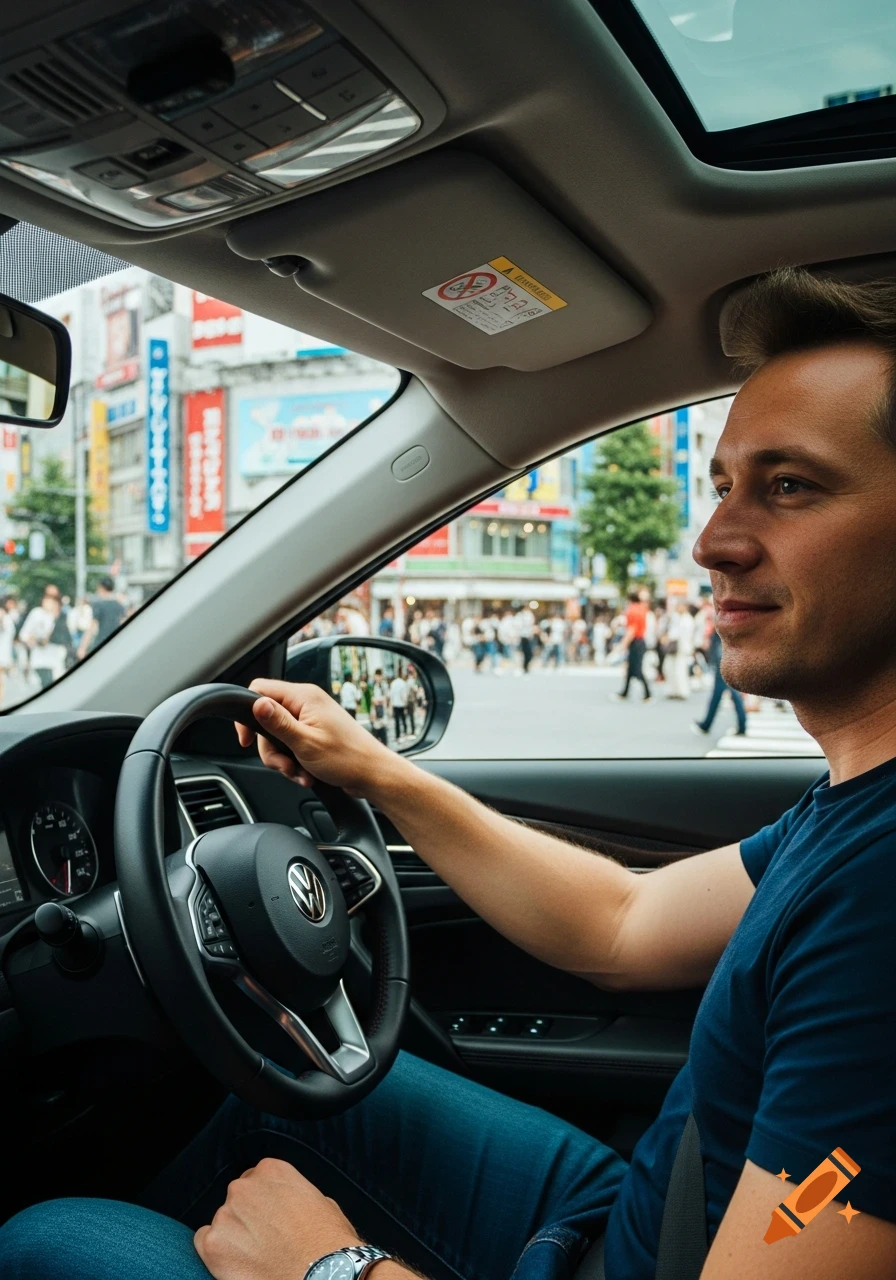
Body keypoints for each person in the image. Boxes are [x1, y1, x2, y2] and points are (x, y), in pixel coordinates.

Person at [13, 266, 896, 1279]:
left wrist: (334, 1270)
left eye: (789, 486)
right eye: (725, 485)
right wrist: (376, 771)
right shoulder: (849, 810)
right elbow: (621, 920)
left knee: (49, 1238)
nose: (711, 542)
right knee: (279, 1089)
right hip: (633, 1222)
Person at [693, 627, 747, 738]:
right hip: (726, 664)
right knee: (721, 697)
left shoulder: (723, 626)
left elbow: (720, 647)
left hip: (724, 666)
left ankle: (741, 725)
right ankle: (708, 724)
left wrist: (721, 665)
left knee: (729, 696)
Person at [18, 587, 69, 689]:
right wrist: (32, 640)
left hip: (56, 657)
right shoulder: (37, 613)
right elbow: (24, 634)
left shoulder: (60, 617)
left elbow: (65, 637)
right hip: (40, 658)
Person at [611, 591, 651, 702]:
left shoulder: (632, 610)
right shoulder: (642, 609)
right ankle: (625, 692)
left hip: (635, 641)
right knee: (631, 669)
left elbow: (631, 630)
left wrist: (623, 644)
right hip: (640, 640)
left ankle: (648, 693)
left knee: (637, 669)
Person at [78, 577, 125, 659]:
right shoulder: (119, 606)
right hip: (117, 644)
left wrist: (82, 648)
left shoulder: (99, 605)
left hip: (101, 643)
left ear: (101, 587)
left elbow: (92, 627)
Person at [389, 667, 409, 738]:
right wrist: (406, 704)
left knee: (396, 721)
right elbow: (404, 696)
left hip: (395, 704)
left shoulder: (393, 683)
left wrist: (390, 707)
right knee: (403, 720)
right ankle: (405, 732)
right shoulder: (403, 683)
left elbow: (391, 696)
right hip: (401, 704)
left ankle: (397, 735)